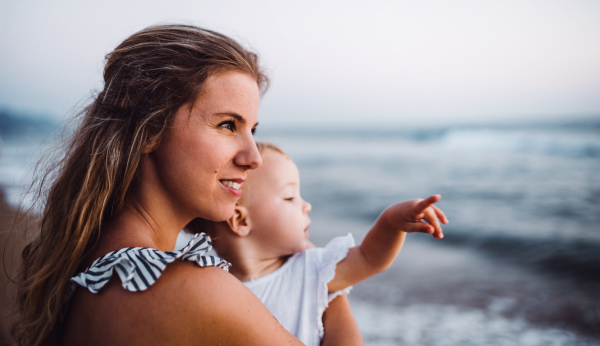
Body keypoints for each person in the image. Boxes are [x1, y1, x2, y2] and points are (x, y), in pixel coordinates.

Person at [12, 24, 358, 346]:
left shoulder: (92, 265)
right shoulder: (192, 289)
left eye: (252, 131)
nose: (254, 157)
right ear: (148, 130)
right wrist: (323, 284)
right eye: (226, 125)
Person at [184, 142, 448, 346]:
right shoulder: (207, 291)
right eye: (289, 197)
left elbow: (369, 259)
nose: (306, 205)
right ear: (241, 220)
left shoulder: (311, 269)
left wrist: (390, 222)